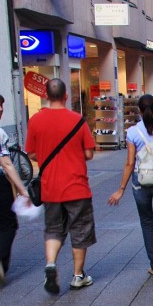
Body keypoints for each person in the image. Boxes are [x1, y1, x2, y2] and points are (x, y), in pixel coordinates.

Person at [26, 78, 97, 294]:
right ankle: (78, 276)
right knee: (80, 229)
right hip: (76, 186)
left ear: (46, 96)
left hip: (50, 188)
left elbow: (30, 153)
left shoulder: (36, 120)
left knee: (54, 229)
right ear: (66, 96)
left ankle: (50, 264)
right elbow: (89, 153)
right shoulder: (78, 120)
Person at [108, 94, 153, 287]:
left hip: (140, 184)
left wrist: (121, 189)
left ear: (139, 111)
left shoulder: (133, 132)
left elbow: (130, 163)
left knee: (147, 223)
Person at [0, 91, 31, 285]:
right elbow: (6, 164)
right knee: (8, 224)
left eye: (1, 104)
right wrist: (22, 189)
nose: (0, 109)